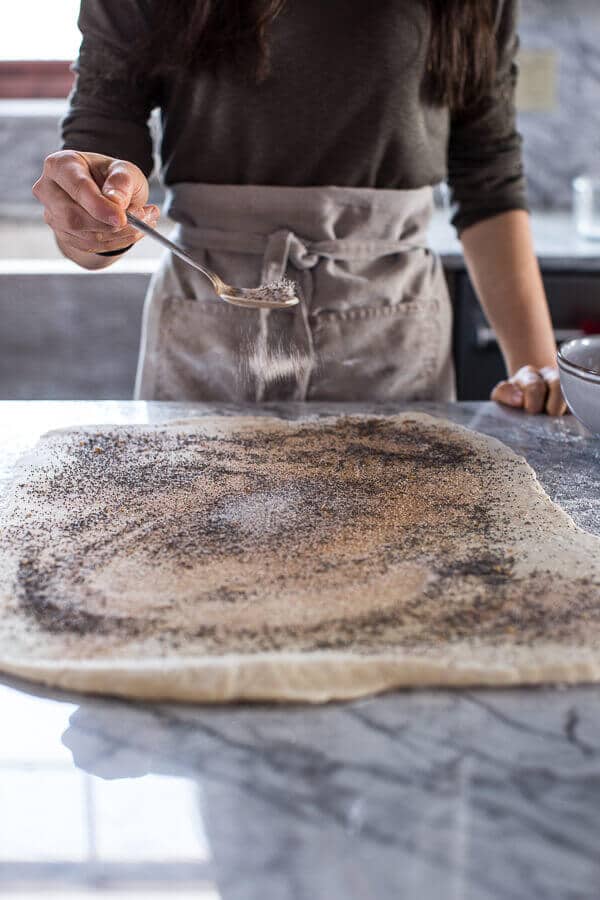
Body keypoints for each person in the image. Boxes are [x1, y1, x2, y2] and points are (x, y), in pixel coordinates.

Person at [33, 0, 566, 414]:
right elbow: (100, 156)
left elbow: (489, 178)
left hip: (390, 341)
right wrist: (90, 215)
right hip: (208, 333)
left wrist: (537, 373)